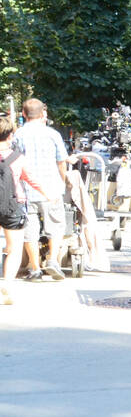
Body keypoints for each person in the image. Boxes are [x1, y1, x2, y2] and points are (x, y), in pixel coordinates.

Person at [14, 99, 69, 281]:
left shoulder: (18, 135)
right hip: (51, 189)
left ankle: (35, 268)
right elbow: (61, 162)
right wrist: (63, 180)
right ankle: (53, 260)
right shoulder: (53, 134)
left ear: (24, 113)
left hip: (27, 190)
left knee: (29, 228)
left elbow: (14, 162)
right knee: (55, 224)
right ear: (42, 114)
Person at [1, 116, 52, 304]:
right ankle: (7, 284)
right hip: (14, 205)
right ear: (10, 136)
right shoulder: (17, 158)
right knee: (13, 249)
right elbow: (32, 179)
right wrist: (48, 194)